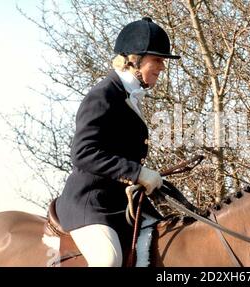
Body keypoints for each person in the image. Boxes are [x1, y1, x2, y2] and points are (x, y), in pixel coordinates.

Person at [55, 17, 181, 267]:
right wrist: (137, 173)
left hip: (121, 204)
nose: (162, 68)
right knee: (108, 261)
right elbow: (83, 153)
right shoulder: (103, 95)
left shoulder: (129, 97)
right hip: (91, 203)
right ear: (134, 60)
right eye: (157, 60)